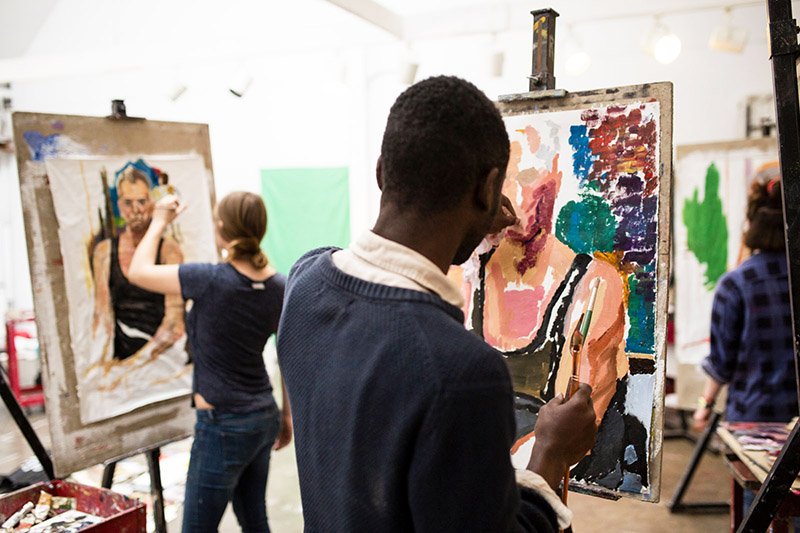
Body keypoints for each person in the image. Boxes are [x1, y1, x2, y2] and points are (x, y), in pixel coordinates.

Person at [277, 76, 597, 531]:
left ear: (381, 172)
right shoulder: (460, 371)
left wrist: (470, 220)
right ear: (489, 189)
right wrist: (551, 453)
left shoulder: (304, 282)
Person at [128, 191, 293, 533]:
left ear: (221, 228)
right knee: (255, 519)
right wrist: (286, 414)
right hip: (263, 416)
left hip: (222, 425)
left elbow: (138, 272)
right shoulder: (280, 285)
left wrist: (159, 221)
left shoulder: (210, 279)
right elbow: (288, 356)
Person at [694, 177, 799, 427]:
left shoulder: (736, 284)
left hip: (754, 420)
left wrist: (704, 405)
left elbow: (722, 362)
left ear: (751, 225)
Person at [92, 165, 184, 361]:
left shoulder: (168, 249)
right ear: (119, 206)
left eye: (141, 201)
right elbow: (102, 314)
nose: (135, 210)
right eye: (128, 203)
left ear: (151, 204)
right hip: (122, 353)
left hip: (162, 353)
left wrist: (143, 359)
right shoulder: (104, 252)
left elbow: (175, 319)